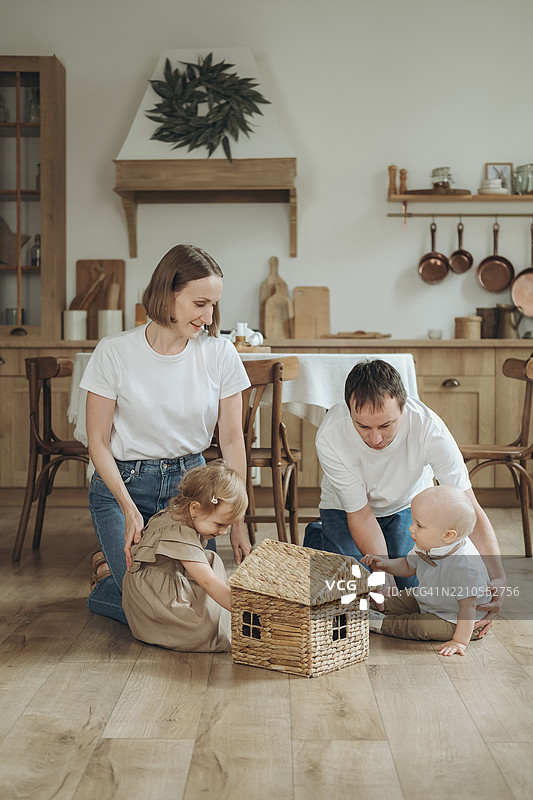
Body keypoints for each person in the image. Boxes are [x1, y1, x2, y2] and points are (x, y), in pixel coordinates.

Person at [81, 244, 251, 625]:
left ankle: (117, 574)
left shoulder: (220, 353)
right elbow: (98, 442)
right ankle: (111, 585)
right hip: (122, 485)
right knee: (148, 609)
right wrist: (127, 509)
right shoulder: (113, 352)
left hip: (189, 489)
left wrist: (238, 519)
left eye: (214, 306)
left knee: (187, 599)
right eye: (200, 304)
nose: (208, 318)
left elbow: (232, 439)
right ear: (168, 295)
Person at [303, 359, 505, 634]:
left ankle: (348, 543)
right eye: (363, 427)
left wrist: (497, 577)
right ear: (349, 410)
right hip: (345, 510)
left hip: (406, 508)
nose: (375, 439)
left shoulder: (430, 430)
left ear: (403, 405)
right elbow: (360, 513)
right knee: (355, 592)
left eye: (386, 425)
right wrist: (382, 572)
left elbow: (468, 508)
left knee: (415, 589)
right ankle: (320, 535)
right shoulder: (330, 434)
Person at [122, 460, 247, 652]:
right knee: (207, 633)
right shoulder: (178, 531)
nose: (223, 532)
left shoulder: (180, 514)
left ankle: (219, 614)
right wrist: (246, 610)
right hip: (156, 600)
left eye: (228, 526)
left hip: (168, 583)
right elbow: (208, 582)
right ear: (195, 508)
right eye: (220, 524)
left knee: (212, 559)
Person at [361, 485, 492, 656]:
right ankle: (363, 607)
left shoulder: (464, 567)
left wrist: (459, 641)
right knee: (397, 599)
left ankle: (377, 623)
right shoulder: (430, 542)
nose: (411, 528)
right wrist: (384, 564)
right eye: (413, 521)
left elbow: (468, 608)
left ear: (448, 535)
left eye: (419, 525)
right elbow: (409, 566)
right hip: (430, 597)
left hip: (456, 620)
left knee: (420, 626)